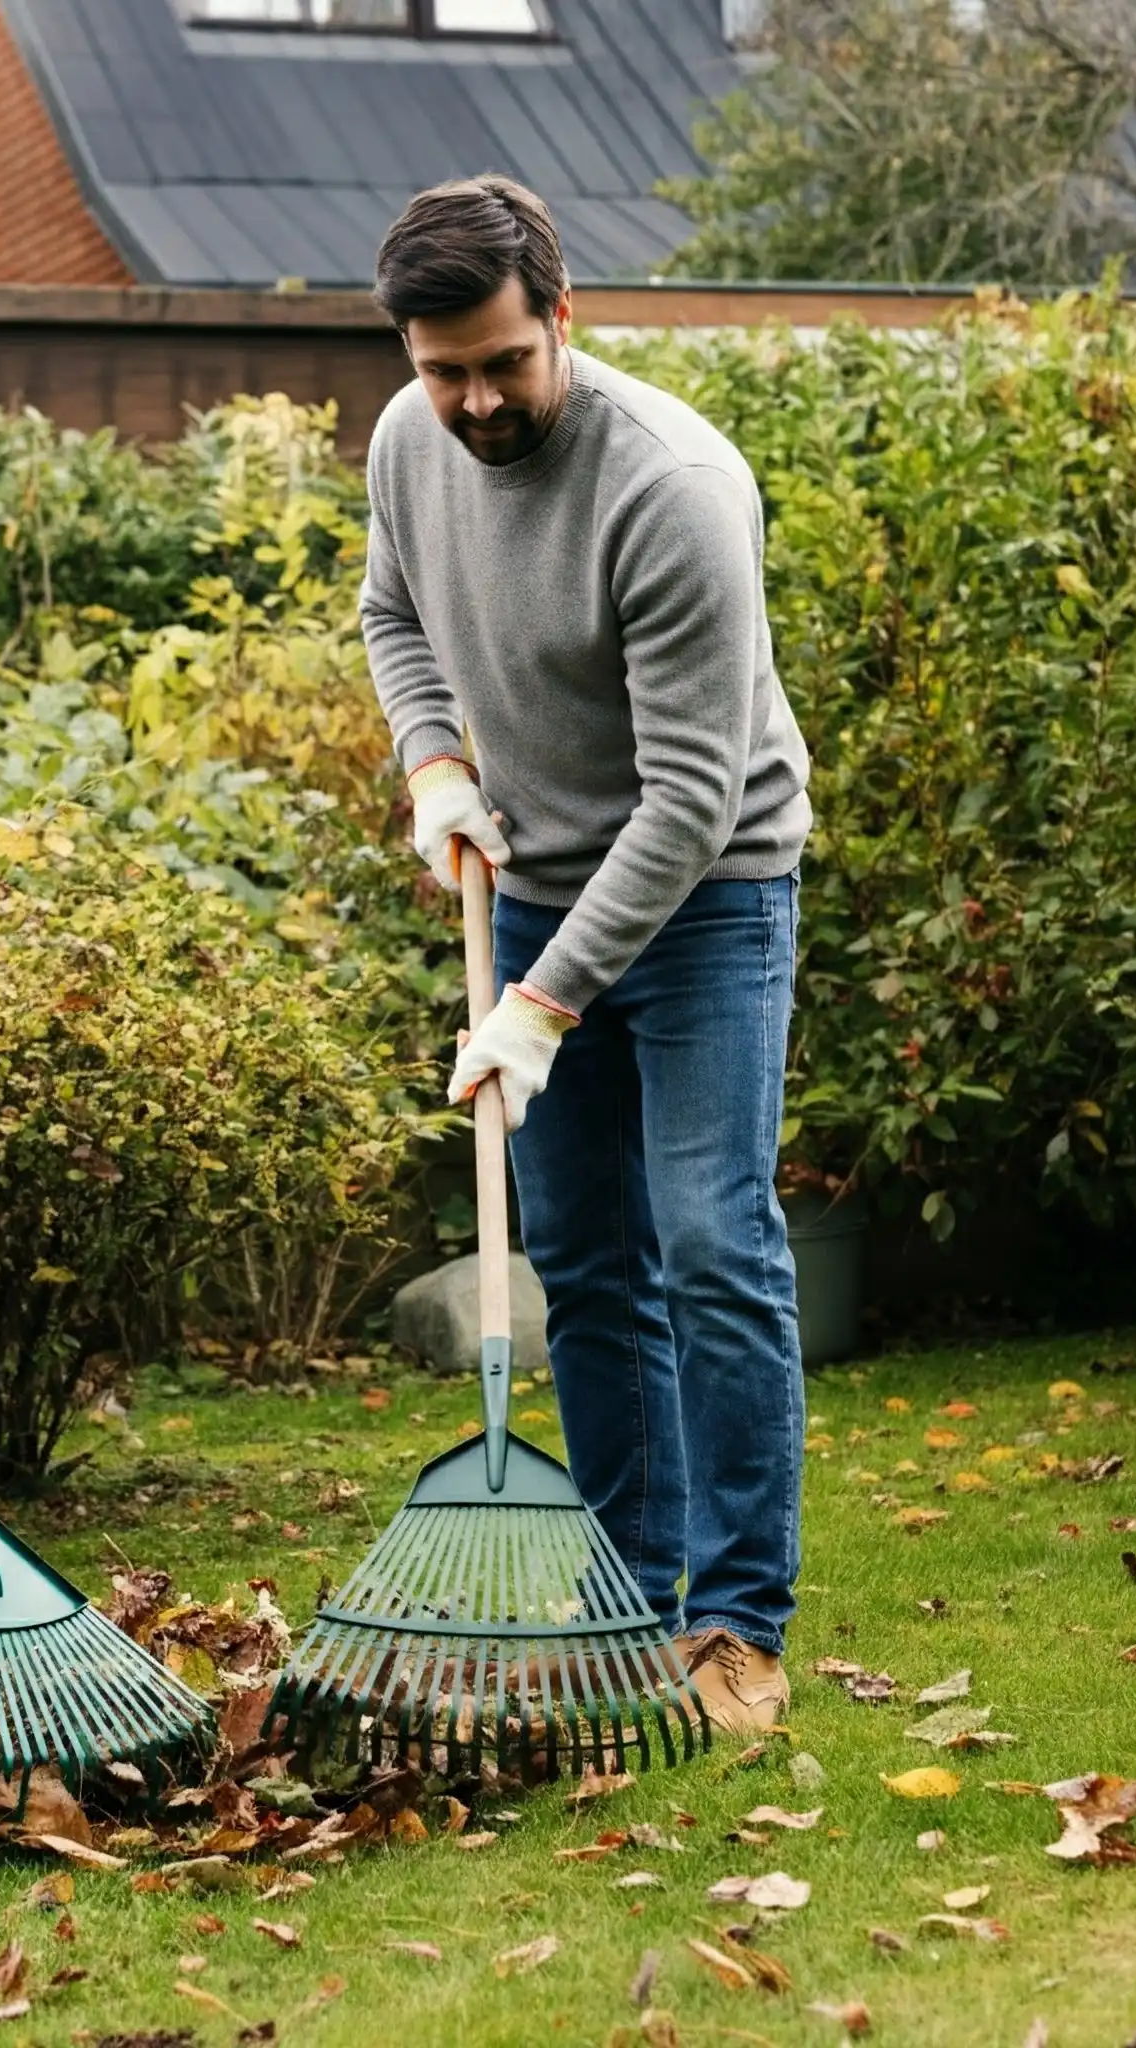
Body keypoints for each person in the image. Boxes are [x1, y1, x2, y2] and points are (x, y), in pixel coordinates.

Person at [360, 177, 813, 1735]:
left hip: (712, 892)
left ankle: (740, 1624)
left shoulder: (672, 485)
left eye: (504, 361)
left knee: (711, 1239)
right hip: (543, 876)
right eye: (445, 369)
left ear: (564, 315)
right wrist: (434, 770)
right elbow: (393, 616)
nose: (477, 401)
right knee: (590, 1262)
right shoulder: (410, 442)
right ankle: (631, 1598)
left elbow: (692, 796)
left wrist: (543, 1006)